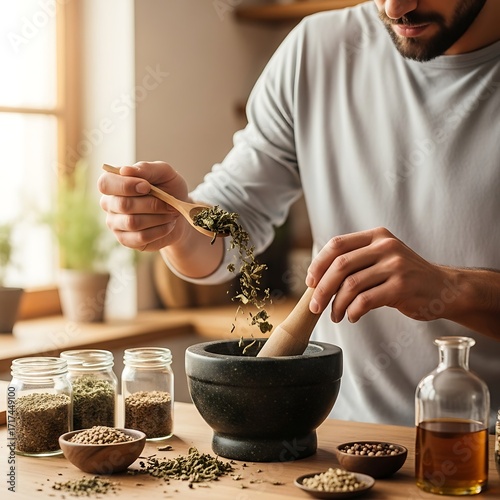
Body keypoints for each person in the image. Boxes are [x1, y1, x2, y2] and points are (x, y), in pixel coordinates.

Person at [99, 0, 500, 428]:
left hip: (481, 447)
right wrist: (176, 228)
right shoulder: (317, 49)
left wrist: (453, 288)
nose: (395, 6)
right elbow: (234, 225)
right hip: (338, 440)